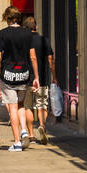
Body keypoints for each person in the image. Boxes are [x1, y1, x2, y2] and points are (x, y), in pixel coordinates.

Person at [0, 6, 39, 152]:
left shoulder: (2, 34)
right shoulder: (28, 33)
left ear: (7, 18)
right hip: (24, 74)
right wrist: (36, 77)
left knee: (12, 107)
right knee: (20, 104)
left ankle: (16, 142)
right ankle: (24, 130)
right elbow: (33, 56)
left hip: (8, 74)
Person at [24, 15, 56, 144]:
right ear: (36, 27)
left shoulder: (24, 41)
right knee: (42, 104)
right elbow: (50, 60)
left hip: (26, 79)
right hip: (42, 78)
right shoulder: (44, 40)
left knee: (28, 106)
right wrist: (54, 76)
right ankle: (42, 125)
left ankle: (31, 134)